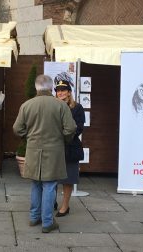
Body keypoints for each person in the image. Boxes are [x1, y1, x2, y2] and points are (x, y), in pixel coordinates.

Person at [13, 75, 76, 233]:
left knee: (36, 183)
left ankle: (34, 217)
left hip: (33, 149)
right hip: (54, 149)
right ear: (50, 87)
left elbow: (17, 128)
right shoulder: (60, 105)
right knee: (49, 185)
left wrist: (29, 137)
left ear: (36, 87)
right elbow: (70, 128)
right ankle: (47, 222)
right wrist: (63, 139)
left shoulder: (27, 105)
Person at [54, 80, 85, 217]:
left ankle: (65, 206)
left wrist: (62, 135)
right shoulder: (52, 106)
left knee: (68, 178)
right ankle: (51, 201)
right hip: (54, 146)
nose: (60, 92)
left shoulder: (77, 108)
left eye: (63, 89)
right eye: (58, 90)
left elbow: (78, 128)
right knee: (51, 177)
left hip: (70, 147)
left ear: (69, 92)